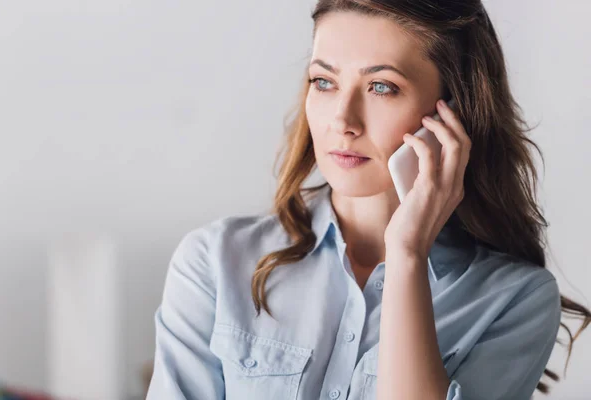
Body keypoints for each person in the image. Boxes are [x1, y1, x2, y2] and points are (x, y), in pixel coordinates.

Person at [146, 1, 591, 399]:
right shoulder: (215, 263)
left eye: (381, 87)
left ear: (452, 113)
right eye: (323, 82)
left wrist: (407, 256)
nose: (343, 119)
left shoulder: (514, 300)